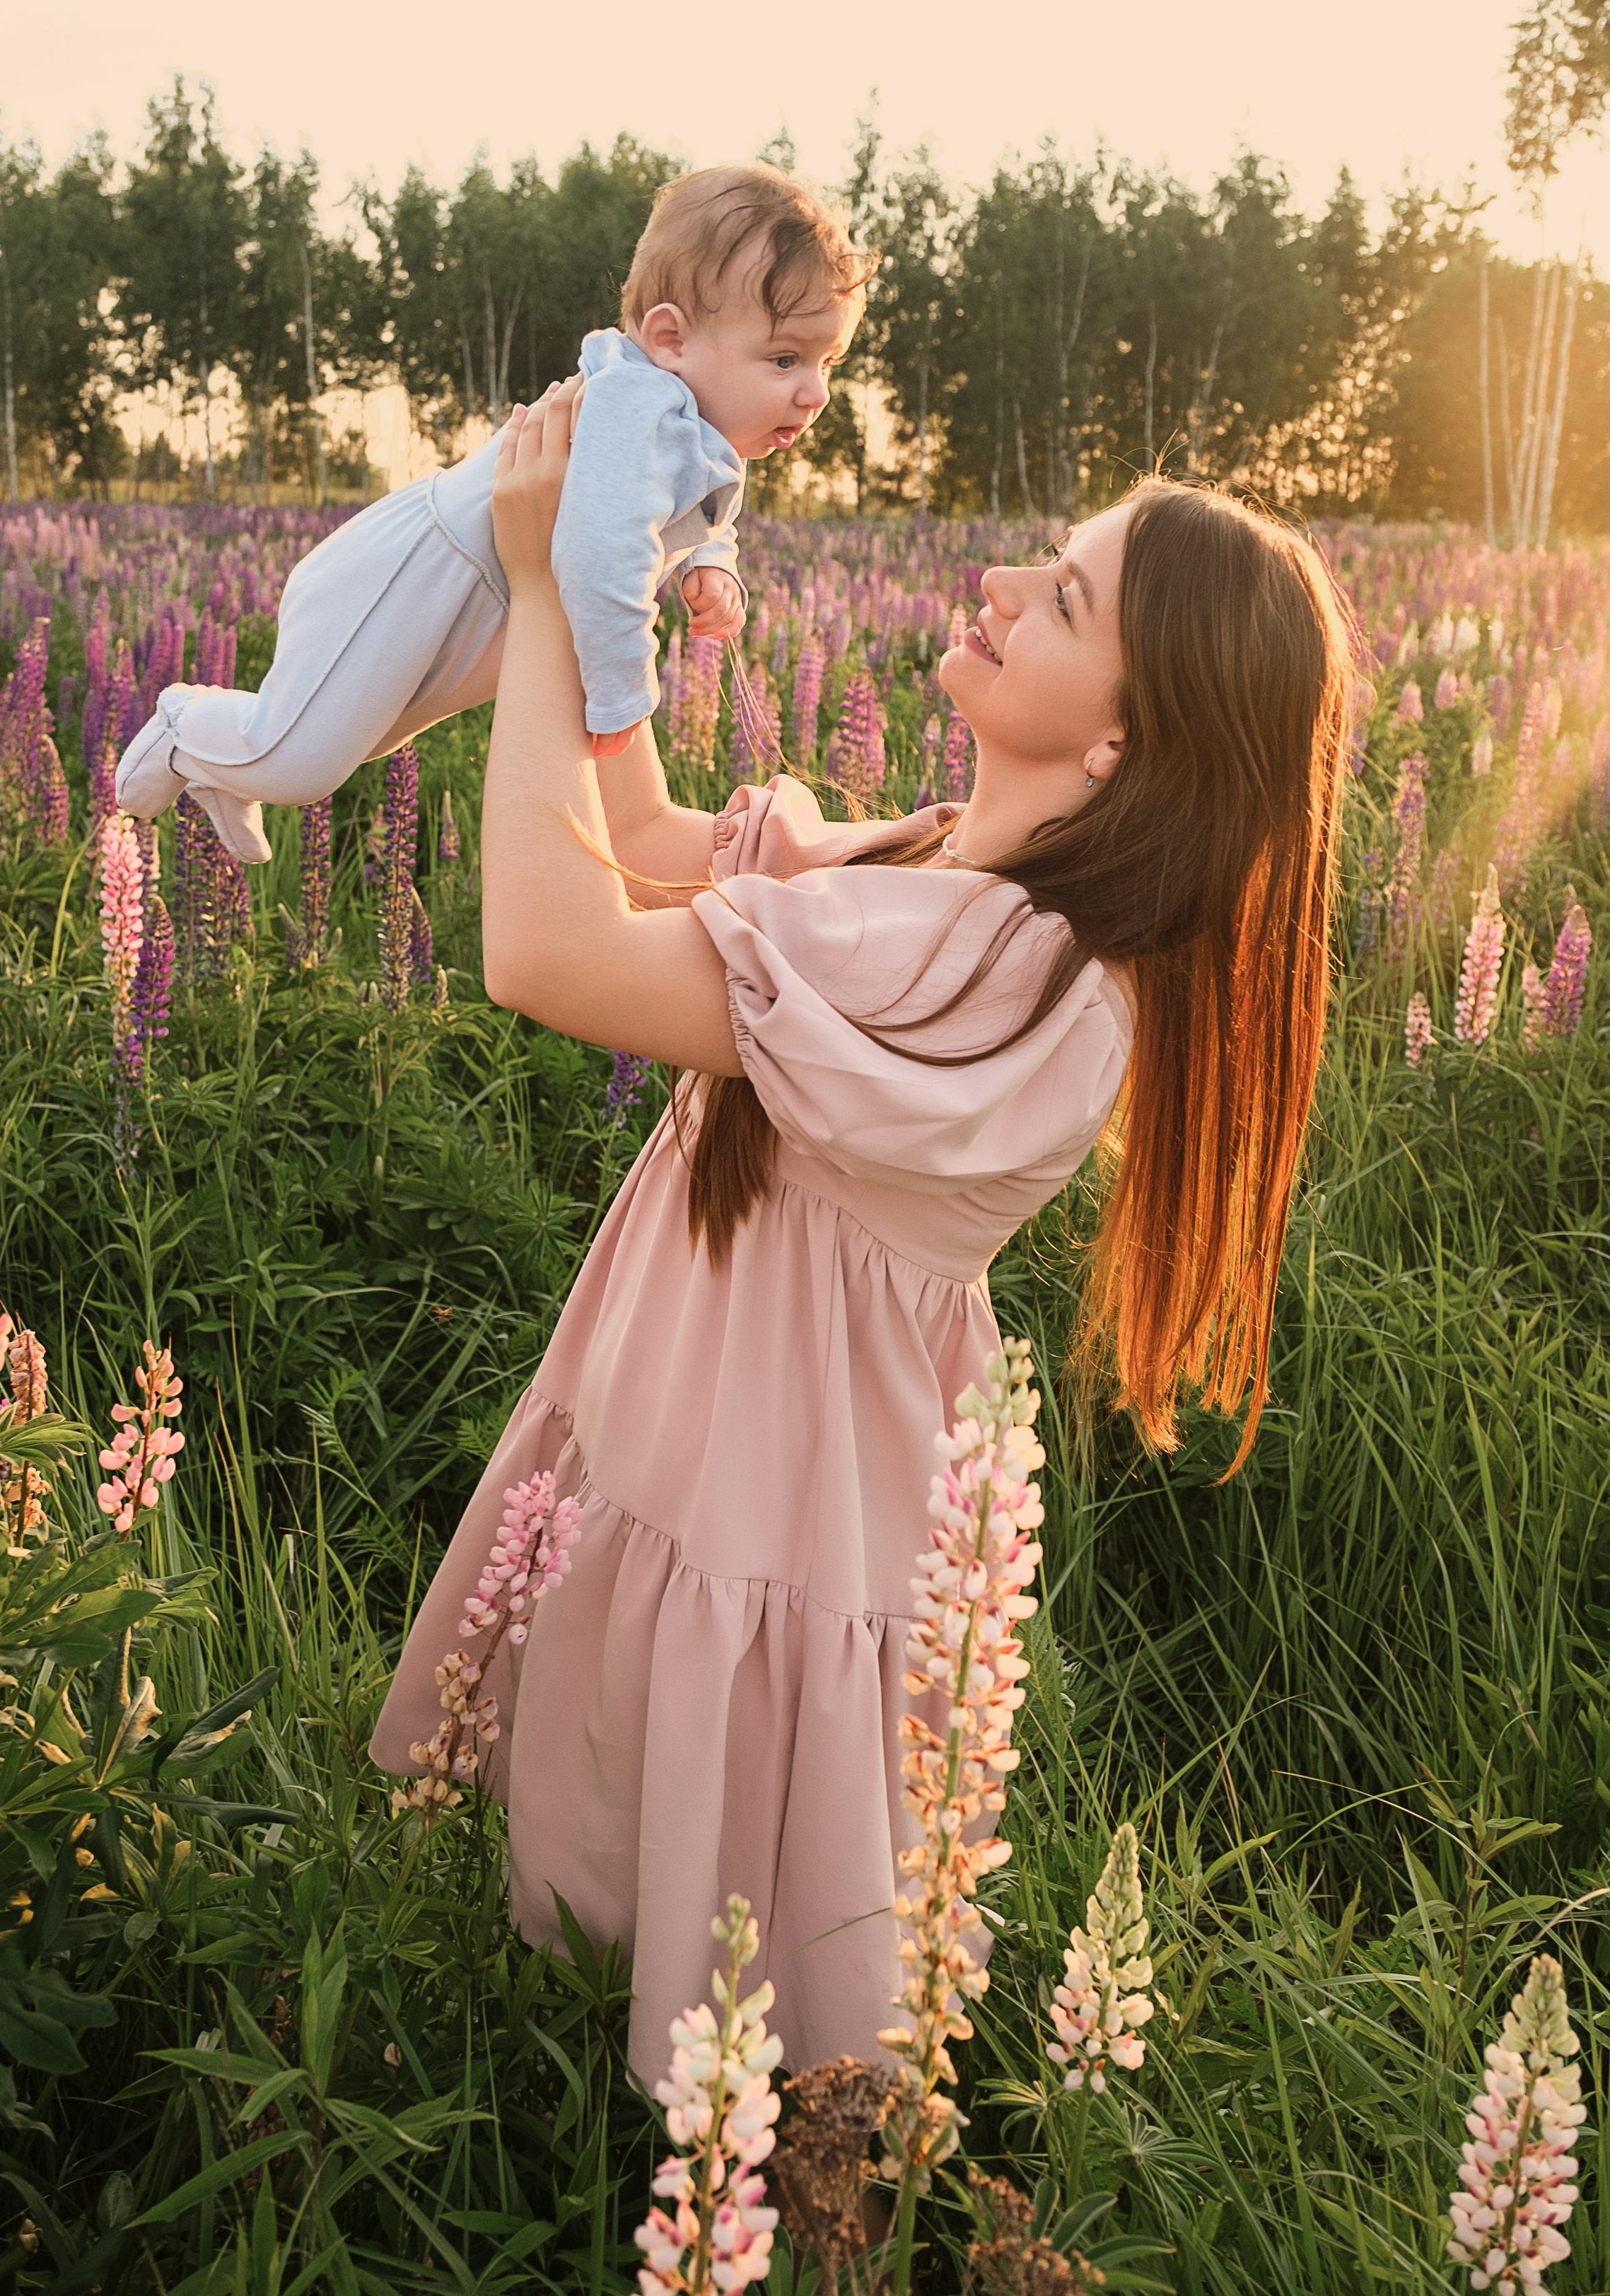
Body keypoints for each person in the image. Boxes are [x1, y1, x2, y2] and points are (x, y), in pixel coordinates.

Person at [368, 380, 1352, 2091]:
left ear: (1123, 744)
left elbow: (545, 947)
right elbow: (644, 844)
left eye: (1063, 599)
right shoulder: (940, 876)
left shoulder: (994, 964)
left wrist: (531, 595)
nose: (1002, 583)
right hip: (711, 1441)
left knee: (689, 1967)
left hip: (758, 1485)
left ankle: (684, 2162)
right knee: (606, 1880)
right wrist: (603, 578)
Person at [113, 163, 867, 863]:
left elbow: (701, 511)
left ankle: (229, 768)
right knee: (305, 760)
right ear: (670, 339)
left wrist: (710, 562)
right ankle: (186, 724)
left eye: (826, 362)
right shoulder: (636, 406)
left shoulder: (693, 425)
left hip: (482, 606)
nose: (816, 392)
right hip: (417, 575)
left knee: (358, 742)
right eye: (784, 359)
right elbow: (602, 551)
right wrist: (623, 693)